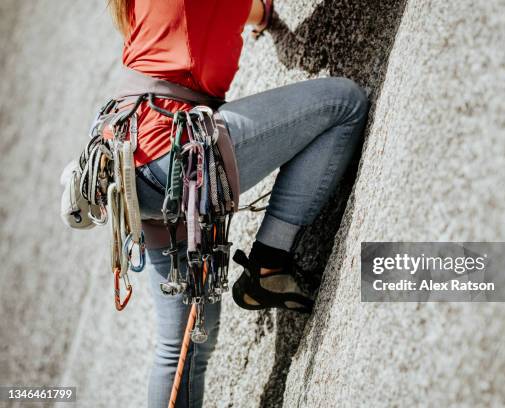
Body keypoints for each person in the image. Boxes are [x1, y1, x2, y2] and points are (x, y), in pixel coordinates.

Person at [107, 0, 369, 406]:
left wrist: (263, 15)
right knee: (344, 103)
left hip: (129, 159)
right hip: (174, 151)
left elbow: (242, 10)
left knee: (181, 349)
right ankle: (270, 261)